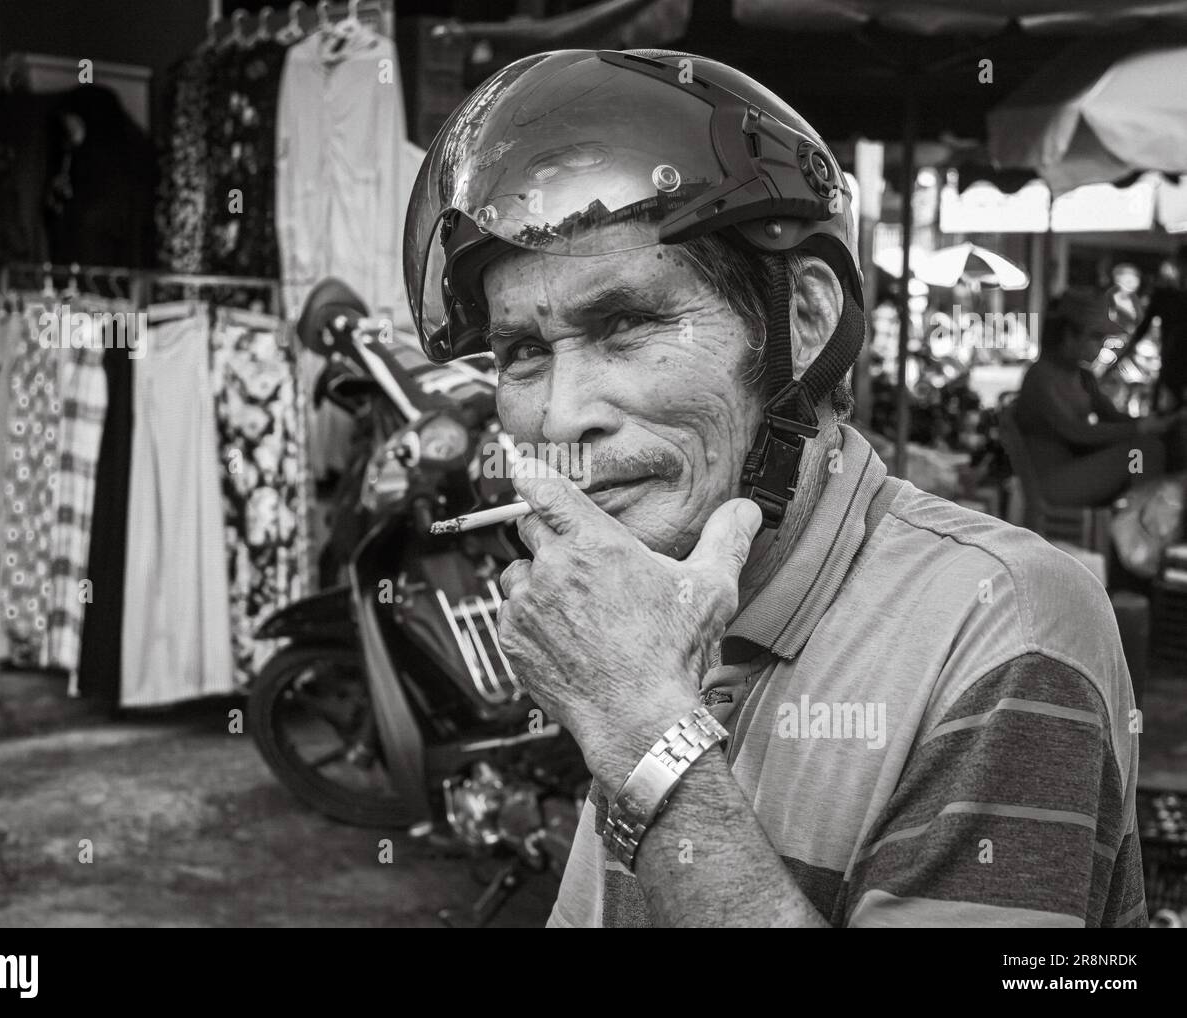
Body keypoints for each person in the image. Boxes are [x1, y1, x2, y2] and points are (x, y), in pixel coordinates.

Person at [404, 49, 1145, 927]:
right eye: (523, 353)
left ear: (806, 319)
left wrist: (646, 733)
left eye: (627, 323)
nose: (562, 417)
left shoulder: (1006, 628)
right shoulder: (664, 606)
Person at [1016, 288, 1183, 508]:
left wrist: (1161, 422)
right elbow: (1076, 432)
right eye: (1095, 337)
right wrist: (1140, 428)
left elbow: (1113, 417)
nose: (1101, 345)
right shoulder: (1040, 377)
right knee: (1142, 453)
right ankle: (1136, 525)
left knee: (1151, 449)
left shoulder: (1082, 376)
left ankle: (1140, 519)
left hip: (1082, 466)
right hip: (1054, 482)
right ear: (1068, 335)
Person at [1132, 250, 1187, 411]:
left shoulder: (1165, 296)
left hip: (1171, 364)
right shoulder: (1164, 296)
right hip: (1171, 366)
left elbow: (1142, 329)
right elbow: (1142, 329)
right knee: (1164, 414)